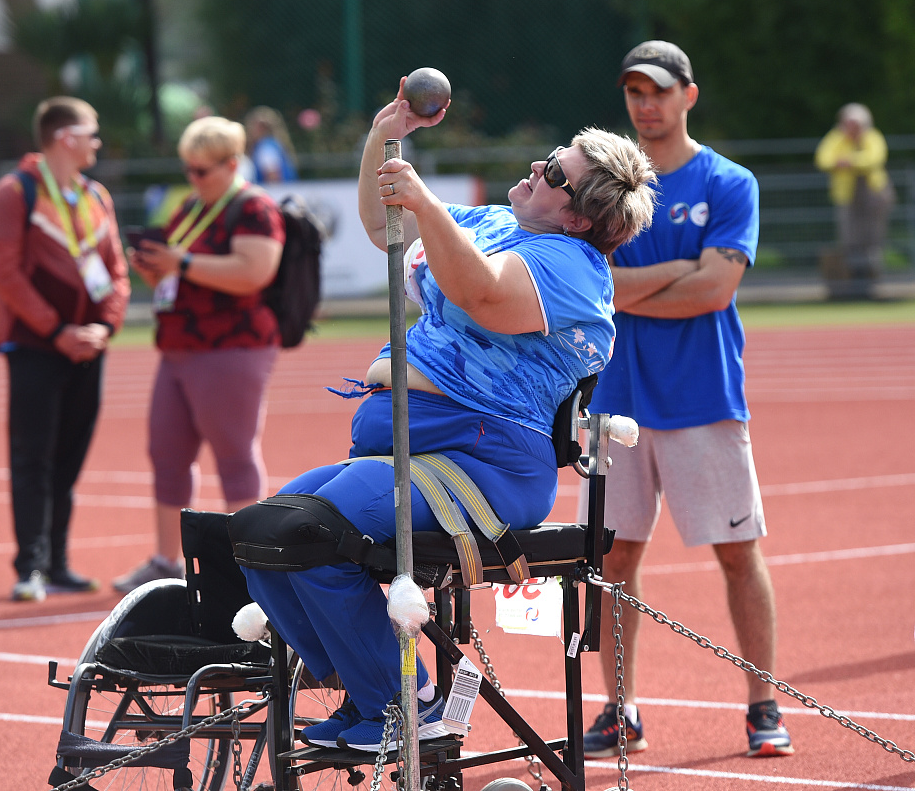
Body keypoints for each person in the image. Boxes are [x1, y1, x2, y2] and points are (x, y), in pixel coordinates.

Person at [236, 77, 656, 753]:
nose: (537, 166)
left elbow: (482, 294)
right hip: (418, 447)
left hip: (484, 459)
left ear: (579, 217)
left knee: (311, 534)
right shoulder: (497, 223)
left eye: (555, 172)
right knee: (261, 533)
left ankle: (406, 706)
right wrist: (385, 135)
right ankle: (364, 691)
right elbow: (385, 225)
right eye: (552, 156)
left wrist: (425, 201)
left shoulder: (572, 264)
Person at [577, 40, 794, 759]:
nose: (646, 105)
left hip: (704, 396)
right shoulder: (602, 188)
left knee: (738, 553)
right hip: (614, 400)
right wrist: (678, 271)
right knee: (612, 559)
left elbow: (715, 290)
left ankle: (763, 704)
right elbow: (594, 289)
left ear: (688, 95)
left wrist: (627, 291)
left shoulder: (729, 182)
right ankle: (620, 709)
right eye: (635, 92)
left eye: (660, 91)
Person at [113, 116, 285, 594]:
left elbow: (254, 271)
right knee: (166, 452)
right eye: (188, 169)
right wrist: (155, 266)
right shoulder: (191, 206)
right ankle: (165, 561)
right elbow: (175, 273)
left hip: (231, 346)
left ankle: (249, 566)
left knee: (234, 455)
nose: (193, 178)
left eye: (202, 170)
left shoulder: (253, 207)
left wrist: (182, 262)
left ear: (231, 164)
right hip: (178, 346)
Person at [0, 96, 130, 601]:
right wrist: (57, 330)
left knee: (68, 458)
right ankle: (31, 567)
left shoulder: (94, 194)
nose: (97, 142)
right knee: (33, 458)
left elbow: (117, 272)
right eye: (91, 133)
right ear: (65, 138)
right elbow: (7, 276)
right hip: (36, 348)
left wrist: (104, 327)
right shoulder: (13, 192)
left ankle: (58, 563)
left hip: (90, 348)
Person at [814, 103, 894, 299]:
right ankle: (855, 284)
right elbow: (823, 159)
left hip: (874, 196)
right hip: (847, 197)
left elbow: (875, 158)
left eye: (855, 124)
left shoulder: (872, 137)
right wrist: (849, 161)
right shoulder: (836, 138)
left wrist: (848, 161)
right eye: (848, 123)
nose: (851, 128)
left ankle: (873, 285)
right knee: (850, 241)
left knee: (873, 241)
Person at [242, 106, 298, 184]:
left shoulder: (266, 147)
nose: (250, 129)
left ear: (262, 128)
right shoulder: (273, 143)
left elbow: (273, 177)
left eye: (253, 125)